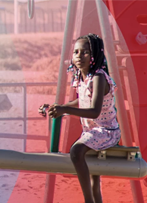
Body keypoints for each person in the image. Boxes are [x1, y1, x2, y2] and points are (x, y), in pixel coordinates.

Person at [38, 33, 120, 203]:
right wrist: (55, 107)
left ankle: (87, 200)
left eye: (85, 52)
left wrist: (65, 109)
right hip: (91, 131)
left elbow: (95, 111)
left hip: (106, 131)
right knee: (94, 179)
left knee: (76, 152)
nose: (79, 56)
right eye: (76, 52)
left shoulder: (98, 77)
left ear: (95, 55)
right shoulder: (82, 78)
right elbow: (82, 99)